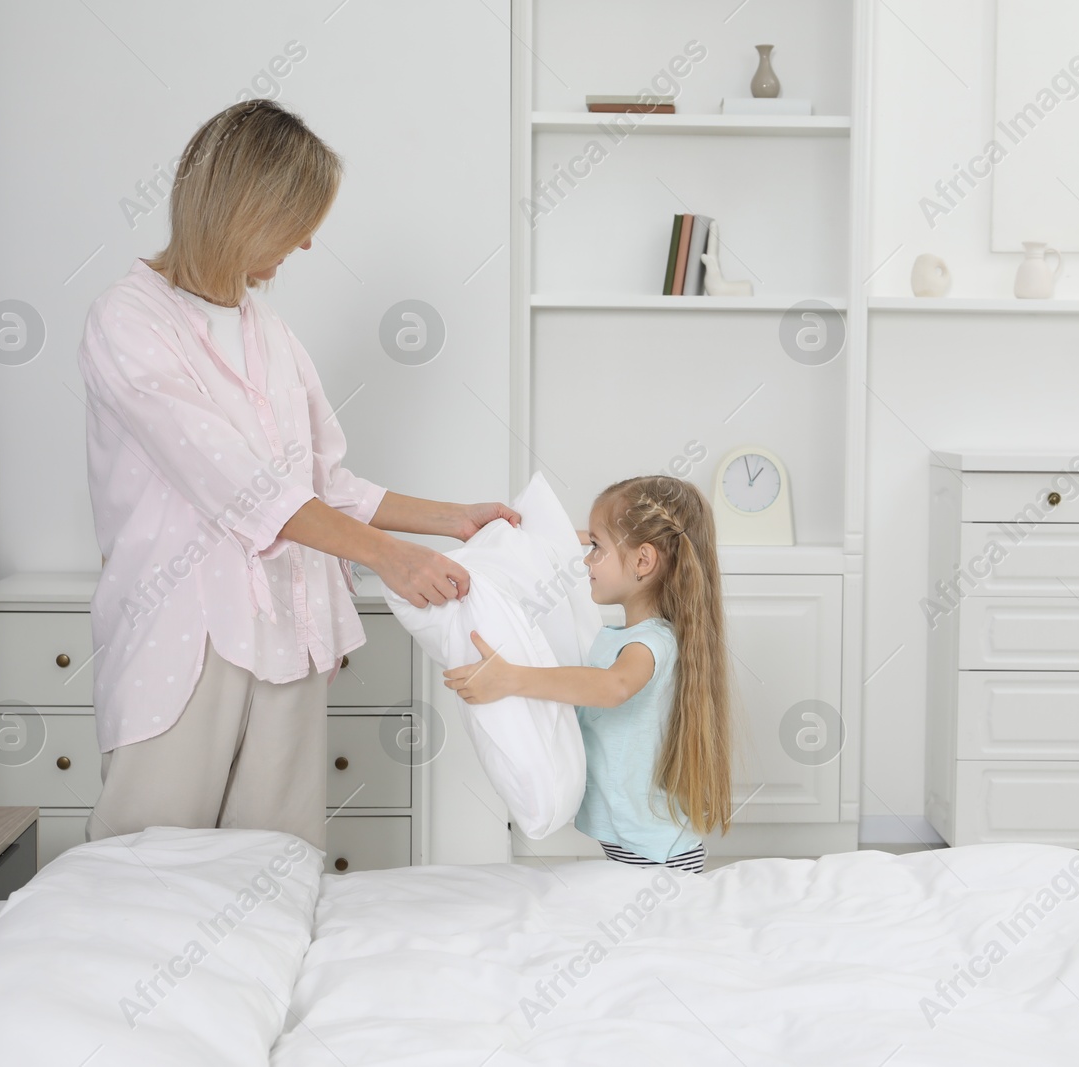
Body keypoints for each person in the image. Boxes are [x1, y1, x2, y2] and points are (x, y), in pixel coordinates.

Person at [75, 99, 517, 849]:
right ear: (243, 209)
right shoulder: (129, 322)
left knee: (272, 871)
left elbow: (324, 482)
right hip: (188, 642)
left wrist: (453, 518)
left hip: (288, 632)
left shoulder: (269, 333)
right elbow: (238, 484)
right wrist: (387, 557)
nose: (309, 243)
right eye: (297, 221)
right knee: (143, 867)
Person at [442, 475, 733, 872]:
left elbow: (613, 688)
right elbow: (614, 548)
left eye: (596, 548)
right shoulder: (627, 636)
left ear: (644, 561)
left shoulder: (650, 644)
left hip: (653, 851)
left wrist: (512, 677)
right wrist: (546, 538)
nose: (585, 560)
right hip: (634, 839)